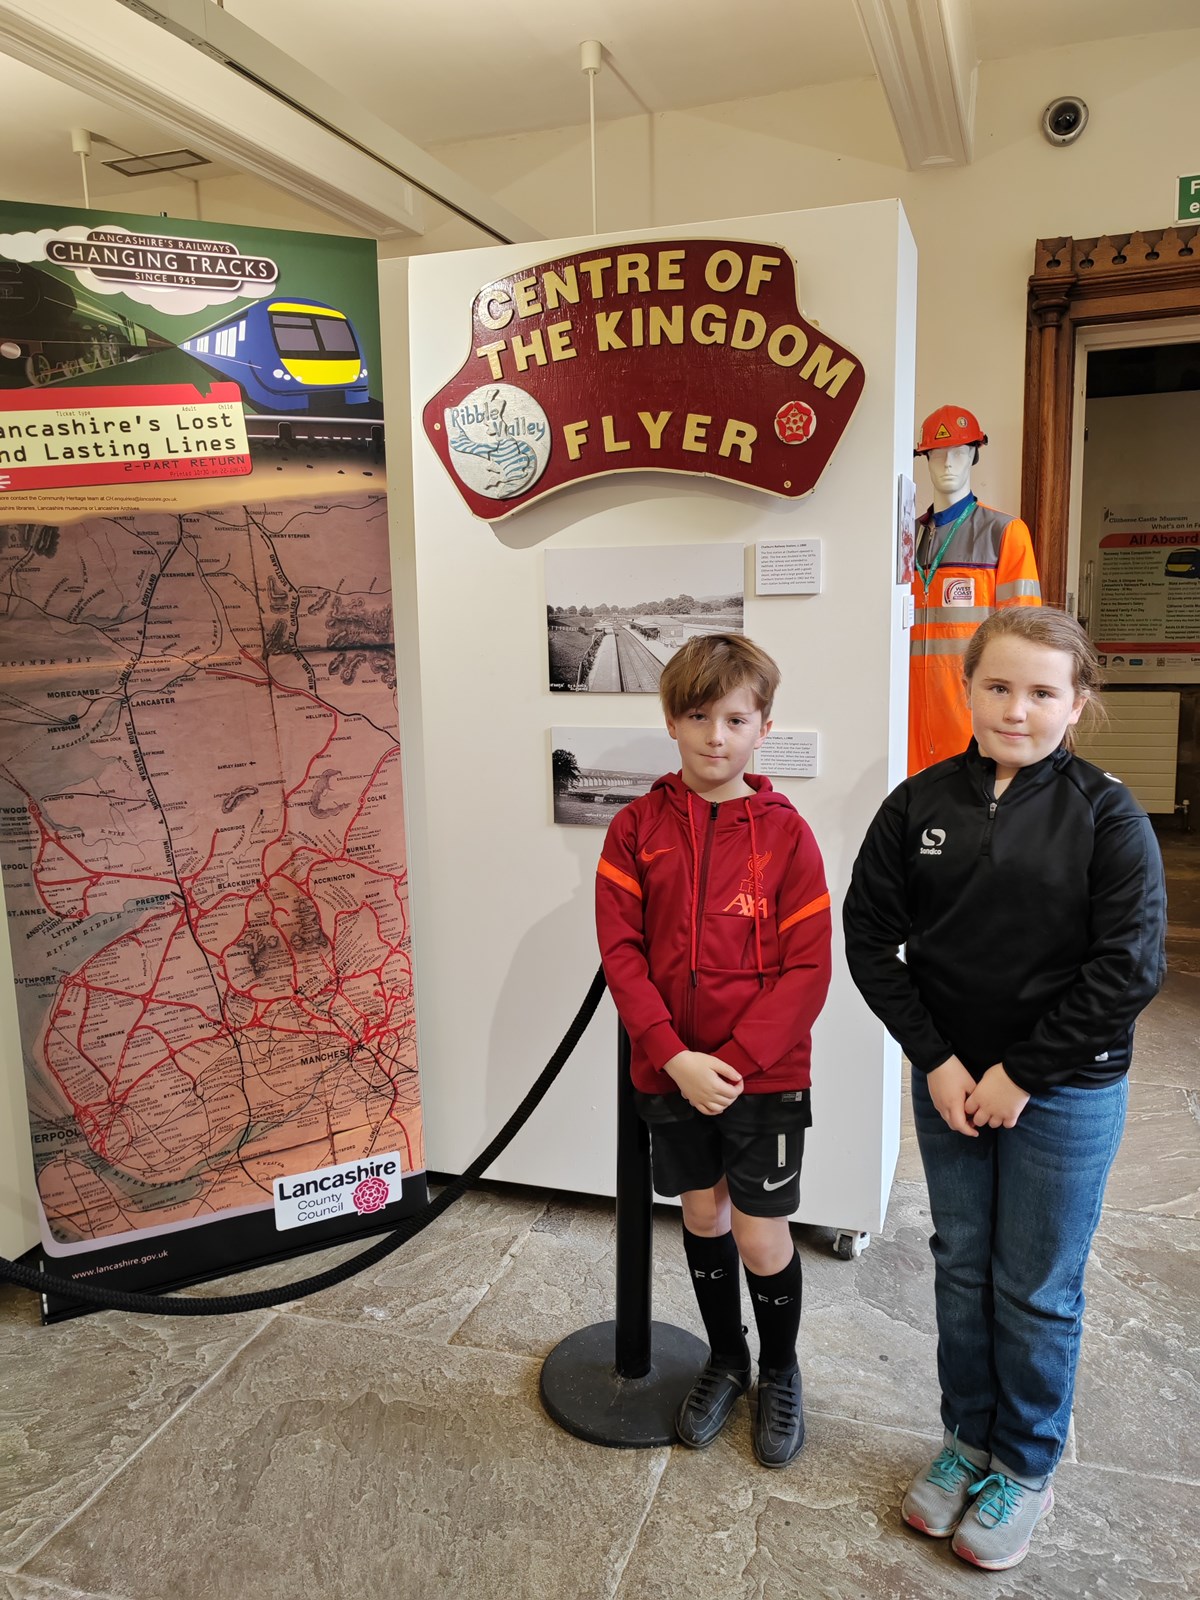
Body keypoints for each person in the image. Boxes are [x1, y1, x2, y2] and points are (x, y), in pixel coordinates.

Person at [843, 606, 1166, 1571]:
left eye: (1040, 693)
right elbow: (870, 942)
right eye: (998, 687)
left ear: (1077, 703)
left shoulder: (1109, 816)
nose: (1015, 710)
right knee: (960, 1266)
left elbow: (1128, 968)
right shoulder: (916, 806)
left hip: (1062, 1091)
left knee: (1035, 1288)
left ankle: (1024, 1465)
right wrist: (937, 1061)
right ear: (967, 687)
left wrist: (1023, 1074)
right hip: (950, 1087)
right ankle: (966, 1442)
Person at [595, 633, 831, 1467]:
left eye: (735, 718)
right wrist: (674, 1058)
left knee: (764, 1238)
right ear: (670, 720)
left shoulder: (789, 837)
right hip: (670, 1073)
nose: (715, 736)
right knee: (701, 1215)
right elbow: (621, 957)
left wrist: (733, 1062)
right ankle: (725, 1360)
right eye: (698, 716)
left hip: (763, 1080)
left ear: (764, 726)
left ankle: (780, 1369)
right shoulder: (634, 830)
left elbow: (808, 969)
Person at [909, 404, 1041, 775]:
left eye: (958, 453)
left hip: (968, 700)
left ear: (974, 455)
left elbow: (1024, 635)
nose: (947, 464)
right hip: (907, 699)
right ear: (926, 459)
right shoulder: (906, 536)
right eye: (937, 455)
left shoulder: (1004, 532)